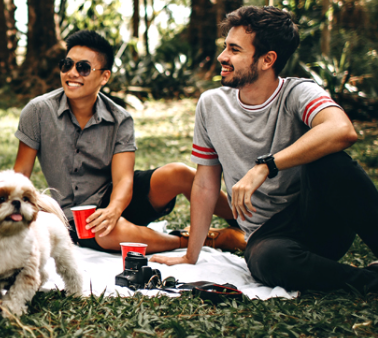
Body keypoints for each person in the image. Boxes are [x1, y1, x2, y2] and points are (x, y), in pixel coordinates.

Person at [151, 5, 378, 299]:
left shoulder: (298, 92)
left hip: (318, 218)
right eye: (225, 47)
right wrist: (190, 255)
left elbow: (342, 130)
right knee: (267, 261)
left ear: (267, 59)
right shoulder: (211, 104)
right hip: (269, 238)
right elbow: (205, 183)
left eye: (234, 50)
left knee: (331, 161)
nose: (222, 57)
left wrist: (266, 166)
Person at [13, 30, 245, 254]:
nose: (72, 73)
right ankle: (206, 239)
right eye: (67, 65)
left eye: (83, 68)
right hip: (75, 217)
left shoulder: (120, 119)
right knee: (108, 233)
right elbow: (20, 174)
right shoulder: (38, 111)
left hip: (118, 198)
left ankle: (247, 224)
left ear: (104, 76)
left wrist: (114, 209)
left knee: (180, 173)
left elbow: (124, 178)